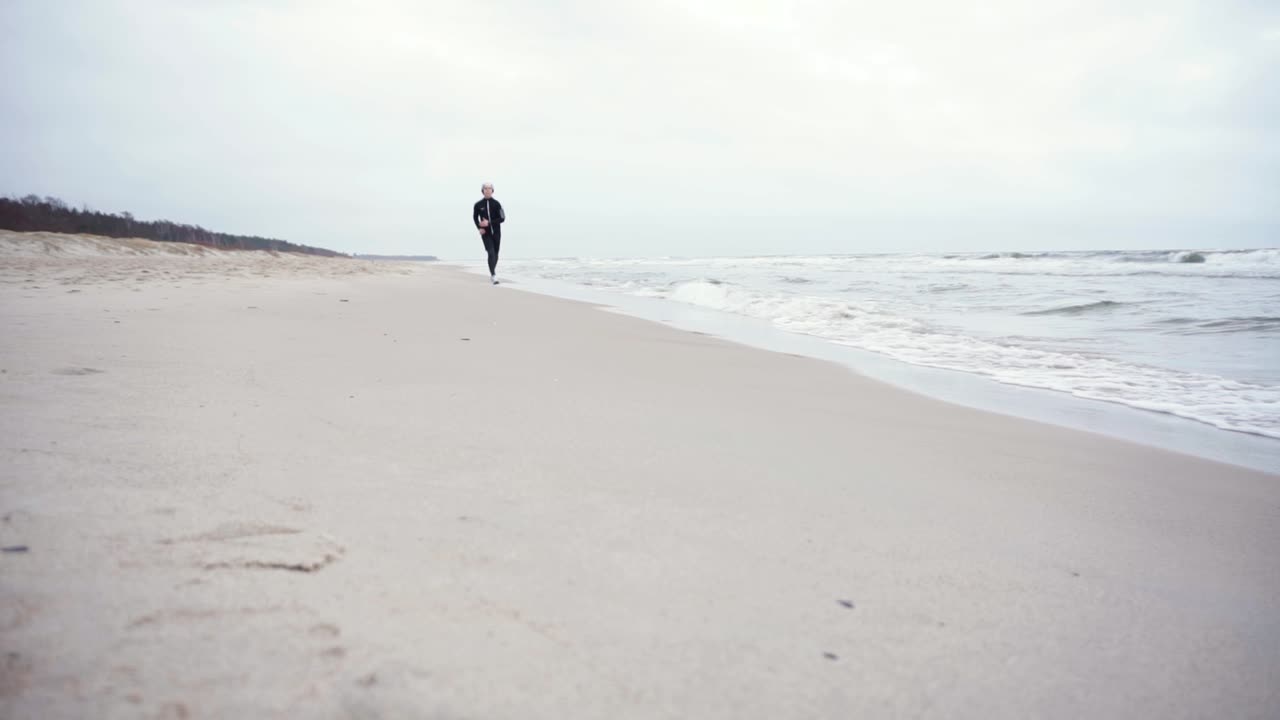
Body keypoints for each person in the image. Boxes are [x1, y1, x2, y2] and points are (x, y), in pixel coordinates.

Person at [472, 183, 505, 284]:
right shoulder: (478, 205)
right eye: (485, 188)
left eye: (489, 188)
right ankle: (493, 275)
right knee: (490, 252)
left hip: (496, 232)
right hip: (486, 233)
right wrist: (479, 228)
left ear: (492, 190)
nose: (487, 190)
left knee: (496, 254)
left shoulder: (497, 204)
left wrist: (489, 223)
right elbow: (475, 218)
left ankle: (492, 272)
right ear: (482, 191)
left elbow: (502, 218)